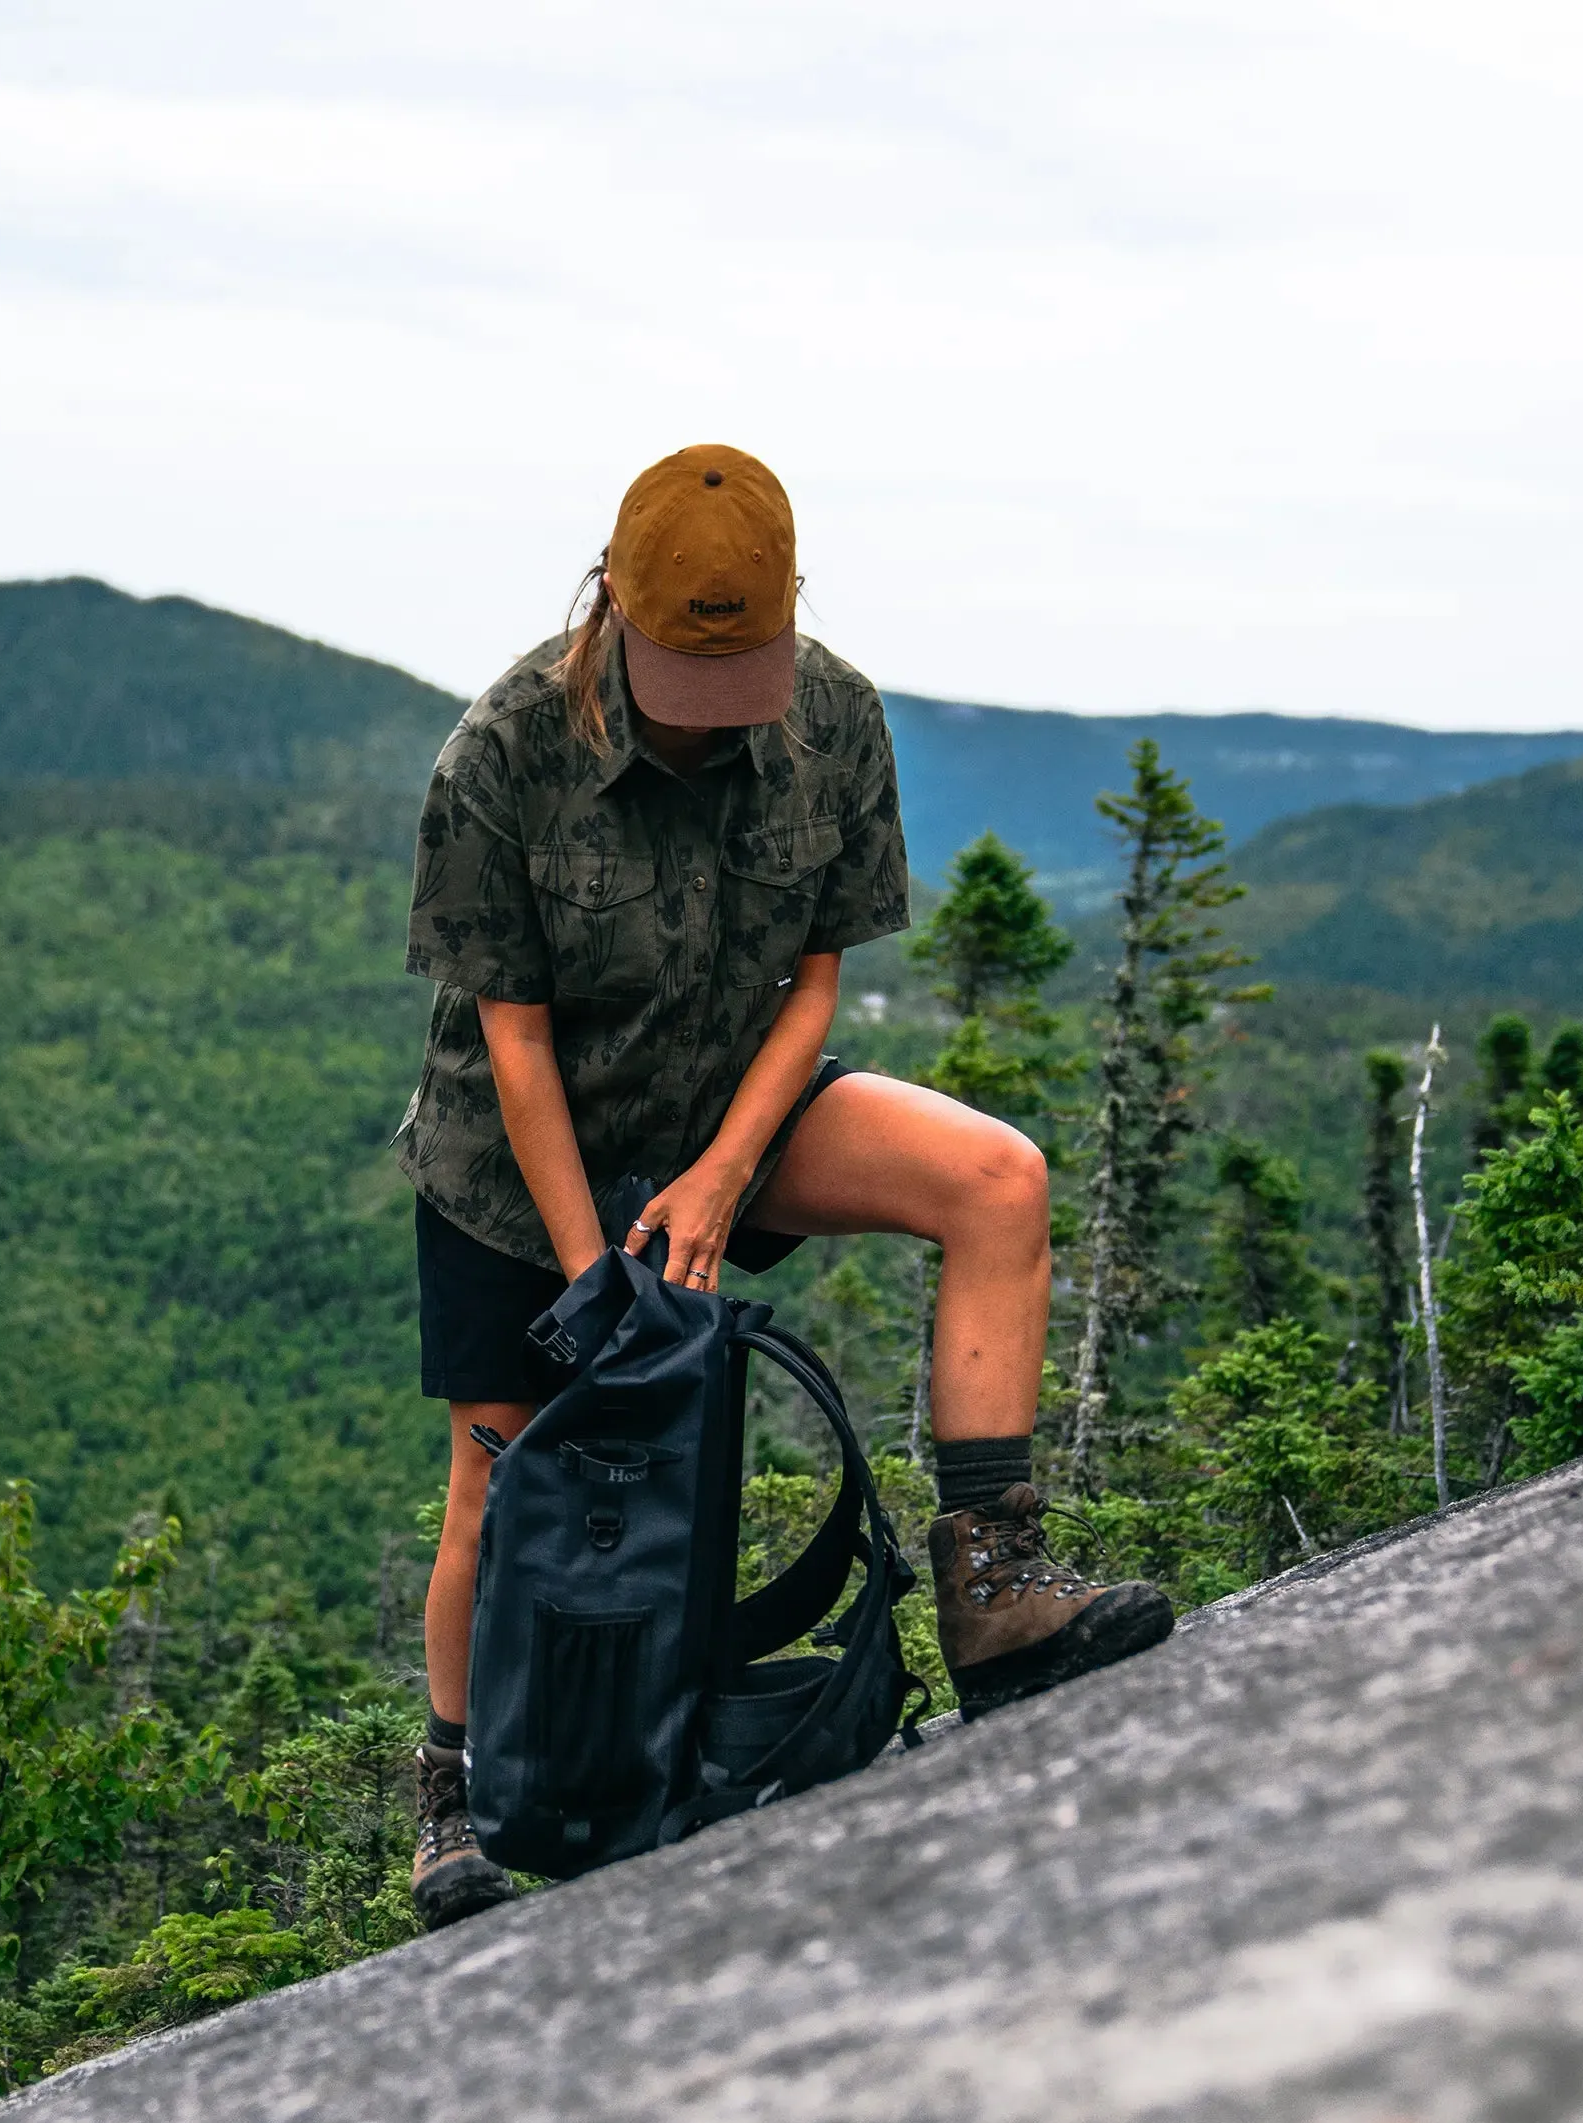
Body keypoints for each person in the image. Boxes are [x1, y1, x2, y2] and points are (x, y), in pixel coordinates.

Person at [396, 444, 1174, 1930]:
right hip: (522, 1159)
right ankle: (450, 1798)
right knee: (501, 1469)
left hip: (730, 1108)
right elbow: (513, 1036)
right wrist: (588, 1282)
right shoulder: (501, 750)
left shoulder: (833, 715)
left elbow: (813, 981)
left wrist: (723, 1174)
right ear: (608, 600)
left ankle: (996, 1592)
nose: (709, 721)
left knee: (997, 1181)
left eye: (736, 676)